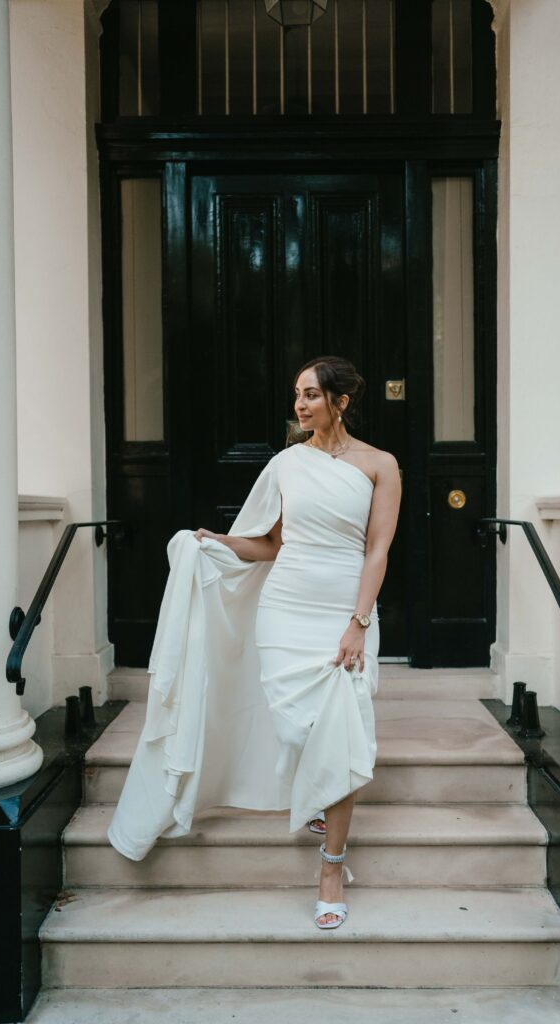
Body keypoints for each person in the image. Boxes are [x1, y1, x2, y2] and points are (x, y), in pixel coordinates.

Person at [193, 356, 401, 929]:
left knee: (340, 733)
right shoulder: (285, 464)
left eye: (311, 394)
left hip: (345, 611)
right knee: (294, 728)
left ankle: (331, 867)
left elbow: (377, 550)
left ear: (341, 401)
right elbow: (271, 544)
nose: (300, 405)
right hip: (285, 610)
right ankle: (317, 794)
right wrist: (215, 542)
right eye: (297, 394)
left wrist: (358, 622)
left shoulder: (380, 465)